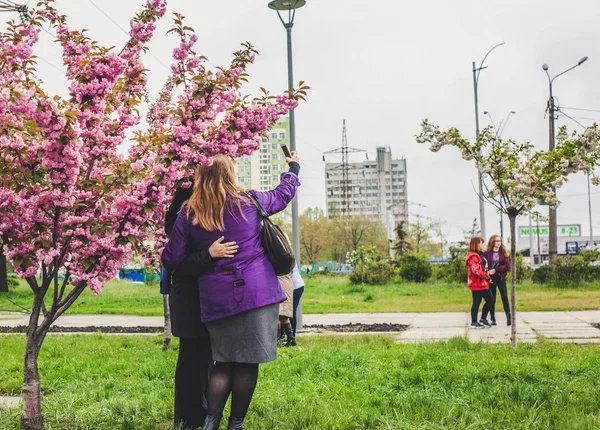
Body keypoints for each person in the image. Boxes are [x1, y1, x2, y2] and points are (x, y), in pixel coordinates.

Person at [162, 152, 300, 430]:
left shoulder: (190, 212)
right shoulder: (248, 201)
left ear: (201, 176)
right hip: (256, 295)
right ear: (231, 174)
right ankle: (235, 425)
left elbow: (171, 258)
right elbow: (283, 194)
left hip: (217, 298)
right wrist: (293, 168)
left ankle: (211, 423)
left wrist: (207, 253)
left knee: (222, 362)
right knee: (247, 364)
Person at [162, 188, 239, 430]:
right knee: (192, 363)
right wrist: (209, 254)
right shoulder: (182, 219)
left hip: (202, 300)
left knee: (202, 361)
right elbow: (181, 265)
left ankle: (200, 416)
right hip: (189, 302)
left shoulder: (191, 217)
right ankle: (189, 420)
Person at [481, 235, 511, 326]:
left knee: (504, 297)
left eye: (500, 241)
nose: (499, 243)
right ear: (492, 242)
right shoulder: (487, 253)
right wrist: (488, 273)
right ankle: (493, 318)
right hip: (491, 278)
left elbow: (507, 266)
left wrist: (496, 270)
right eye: (497, 241)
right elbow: (483, 265)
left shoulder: (503, 253)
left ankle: (509, 317)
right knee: (492, 298)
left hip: (500, 277)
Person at [465, 236, 494, 329]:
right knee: (476, 302)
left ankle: (483, 318)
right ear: (476, 244)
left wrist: (487, 278)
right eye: (481, 242)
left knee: (490, 299)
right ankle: (474, 322)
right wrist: (486, 276)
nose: (482, 244)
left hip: (483, 283)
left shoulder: (480, 254)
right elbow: (475, 270)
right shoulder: (473, 256)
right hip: (476, 283)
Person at [277, 273, 296, 346]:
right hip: (288, 284)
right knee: (284, 316)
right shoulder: (291, 261)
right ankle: (291, 339)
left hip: (280, 284)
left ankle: (277, 339)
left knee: (277, 314)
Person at [291, 263, 305, 335]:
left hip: (295, 287)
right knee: (290, 311)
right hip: (297, 286)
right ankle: (290, 334)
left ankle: (292, 335)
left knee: (291, 311)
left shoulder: (286, 255)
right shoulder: (289, 254)